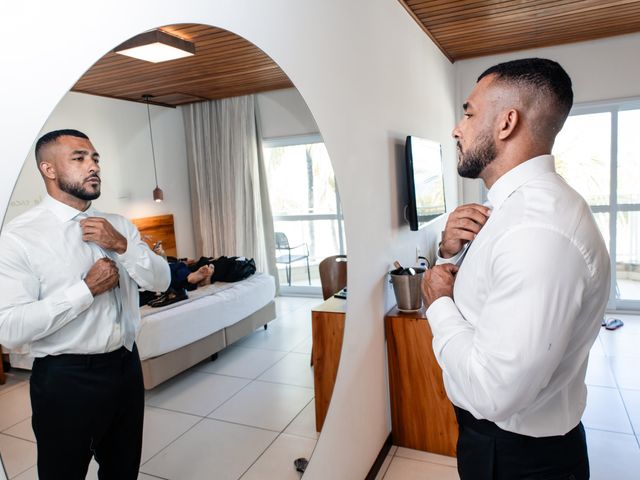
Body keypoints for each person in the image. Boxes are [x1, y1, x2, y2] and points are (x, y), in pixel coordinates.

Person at [421, 58, 610, 479]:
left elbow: (493, 391)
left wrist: (435, 304)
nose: (457, 128)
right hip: (496, 444)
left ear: (507, 123)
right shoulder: (508, 210)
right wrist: (450, 252)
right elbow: (484, 293)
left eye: (468, 112)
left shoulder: (538, 231)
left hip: (519, 459)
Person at [0, 129, 170, 480]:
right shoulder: (19, 237)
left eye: (95, 158)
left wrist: (123, 245)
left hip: (125, 366)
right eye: (79, 158)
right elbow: (10, 329)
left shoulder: (120, 225)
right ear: (48, 169)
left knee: (123, 470)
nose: (93, 166)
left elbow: (161, 282)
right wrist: (85, 291)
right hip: (65, 380)